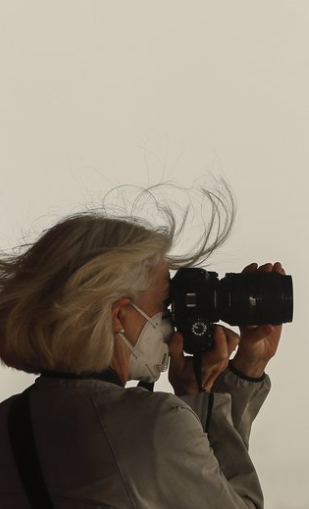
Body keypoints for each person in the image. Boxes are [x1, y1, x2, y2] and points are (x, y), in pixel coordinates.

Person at [0, 184, 285, 508]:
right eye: (165, 303)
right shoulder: (157, 425)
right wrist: (229, 383)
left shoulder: (7, 423)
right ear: (119, 315)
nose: (171, 321)